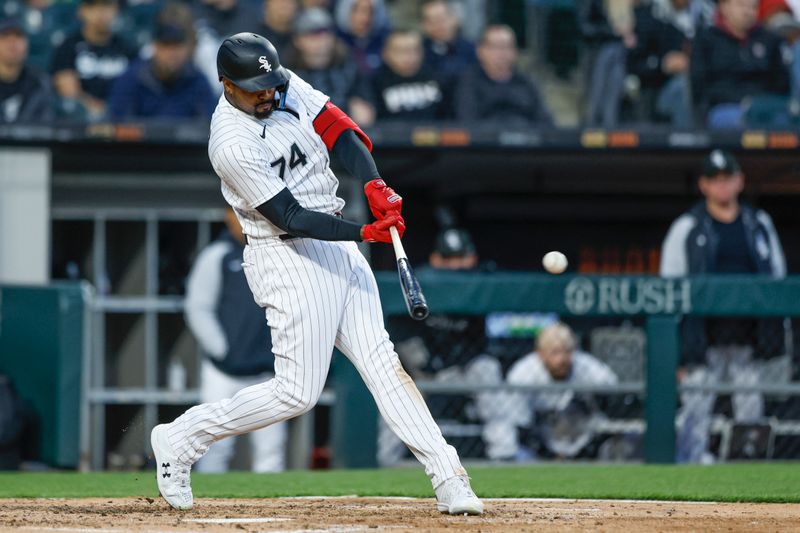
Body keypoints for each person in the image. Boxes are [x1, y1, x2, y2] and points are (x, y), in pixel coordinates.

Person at [149, 32, 484, 516]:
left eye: (270, 82)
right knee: (296, 394)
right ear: (226, 84)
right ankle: (181, 437)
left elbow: (338, 128)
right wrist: (366, 232)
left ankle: (449, 478)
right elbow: (290, 216)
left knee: (383, 366)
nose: (267, 92)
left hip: (338, 242)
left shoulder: (280, 85)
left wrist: (374, 183)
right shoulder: (230, 143)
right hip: (288, 256)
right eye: (254, 86)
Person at [660, 149, 788, 463]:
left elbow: (777, 278)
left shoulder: (757, 223)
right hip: (702, 338)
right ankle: (688, 474)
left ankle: (748, 474)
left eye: (727, 179)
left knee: (750, 411)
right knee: (696, 410)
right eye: (715, 180)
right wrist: (678, 346)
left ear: (739, 181)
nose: (722, 186)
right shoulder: (687, 227)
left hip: (749, 337)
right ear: (704, 185)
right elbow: (670, 285)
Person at [185, 207, 287, 473]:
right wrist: (223, 351)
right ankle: (205, 507)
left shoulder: (278, 254)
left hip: (267, 370)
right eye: (235, 214)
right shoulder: (217, 255)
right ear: (227, 217)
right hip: (223, 371)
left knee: (270, 450)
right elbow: (198, 307)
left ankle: (273, 510)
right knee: (214, 446)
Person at [475, 322, 618, 461]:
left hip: (584, 442)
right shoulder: (523, 373)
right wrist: (547, 454)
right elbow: (520, 426)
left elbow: (613, 392)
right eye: (555, 352)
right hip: (540, 445)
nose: (562, 359)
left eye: (567, 351)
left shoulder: (586, 366)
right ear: (540, 353)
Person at [690, 0, 792, 129]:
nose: (747, 11)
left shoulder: (770, 40)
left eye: (753, 7)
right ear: (724, 7)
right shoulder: (707, 39)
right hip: (725, 106)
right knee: (738, 121)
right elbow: (700, 86)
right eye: (741, 5)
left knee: (784, 121)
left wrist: (758, 102)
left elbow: (781, 84)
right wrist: (742, 101)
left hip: (765, 106)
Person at [107, 22, 216, 120]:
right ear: (155, 48)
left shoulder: (197, 80)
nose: (172, 54)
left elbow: (209, 127)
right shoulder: (132, 78)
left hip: (188, 142)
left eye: (177, 46)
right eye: (166, 46)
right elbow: (119, 125)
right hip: (141, 143)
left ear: (186, 49)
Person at [49, 0, 136, 121]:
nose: (101, 12)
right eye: (93, 6)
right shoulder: (68, 46)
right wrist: (93, 106)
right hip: (79, 122)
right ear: (81, 11)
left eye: (106, 5)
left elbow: (135, 88)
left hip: (120, 119)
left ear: (116, 10)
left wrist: (111, 108)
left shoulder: (127, 48)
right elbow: (67, 88)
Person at [288, 7, 374, 125]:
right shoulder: (288, 73)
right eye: (311, 34)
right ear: (297, 40)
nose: (320, 40)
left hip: (346, 131)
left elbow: (366, 110)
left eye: (324, 33)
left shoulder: (349, 66)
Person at [454, 24, 551, 126]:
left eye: (507, 47)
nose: (502, 53)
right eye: (496, 47)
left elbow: (546, 125)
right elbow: (468, 123)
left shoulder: (527, 83)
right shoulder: (468, 82)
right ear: (480, 51)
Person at [627, 0, 699, 126]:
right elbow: (633, 65)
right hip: (657, 91)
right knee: (682, 86)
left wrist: (694, 64)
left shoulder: (703, 16)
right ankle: (687, 141)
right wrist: (662, 65)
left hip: (702, 85)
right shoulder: (650, 15)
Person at [578, 0, 636, 128]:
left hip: (620, 52)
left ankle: (610, 131)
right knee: (595, 103)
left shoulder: (623, 4)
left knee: (612, 105)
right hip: (597, 52)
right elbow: (585, 28)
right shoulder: (593, 3)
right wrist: (613, 32)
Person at [368, 29, 445, 122]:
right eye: (400, 51)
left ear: (422, 52)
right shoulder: (374, 83)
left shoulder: (440, 78)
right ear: (386, 54)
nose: (408, 56)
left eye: (414, 50)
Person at [0, 16, 53, 123]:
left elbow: (45, 126)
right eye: (5, 36)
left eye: (18, 36)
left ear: (27, 43)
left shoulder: (40, 82)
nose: (12, 42)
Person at [419, 0, 476, 84]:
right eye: (431, 21)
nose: (438, 25)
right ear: (424, 25)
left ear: (454, 19)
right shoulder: (419, 51)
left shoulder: (471, 49)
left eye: (441, 19)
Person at [335, 0, 391, 74]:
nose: (365, 18)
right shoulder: (336, 42)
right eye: (357, 11)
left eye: (371, 12)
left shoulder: (385, 41)